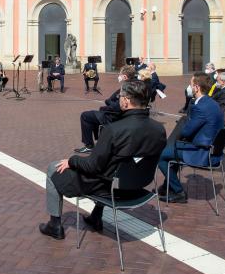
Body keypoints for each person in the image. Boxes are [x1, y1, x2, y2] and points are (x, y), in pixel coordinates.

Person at [39, 80, 167, 240]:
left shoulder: (114, 130)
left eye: (120, 96)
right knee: (112, 167)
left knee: (53, 168)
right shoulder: (159, 129)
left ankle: (54, 225)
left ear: (126, 101)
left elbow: (92, 166)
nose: (119, 99)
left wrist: (72, 160)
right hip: (139, 185)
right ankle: (96, 216)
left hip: (110, 187)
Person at [158, 72, 224, 203]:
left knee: (160, 156)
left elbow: (186, 132)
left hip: (199, 151)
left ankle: (178, 191)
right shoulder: (213, 103)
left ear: (197, 87)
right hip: (209, 148)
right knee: (171, 153)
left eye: (191, 84)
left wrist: (185, 122)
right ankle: (168, 185)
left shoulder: (201, 107)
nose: (189, 87)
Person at [75, 65, 136, 153]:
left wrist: (108, 105)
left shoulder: (126, 87)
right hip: (120, 114)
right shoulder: (135, 85)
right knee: (95, 113)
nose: (119, 76)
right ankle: (97, 141)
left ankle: (89, 146)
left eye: (120, 74)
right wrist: (111, 102)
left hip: (114, 116)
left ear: (125, 76)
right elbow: (110, 100)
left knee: (85, 116)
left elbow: (117, 106)